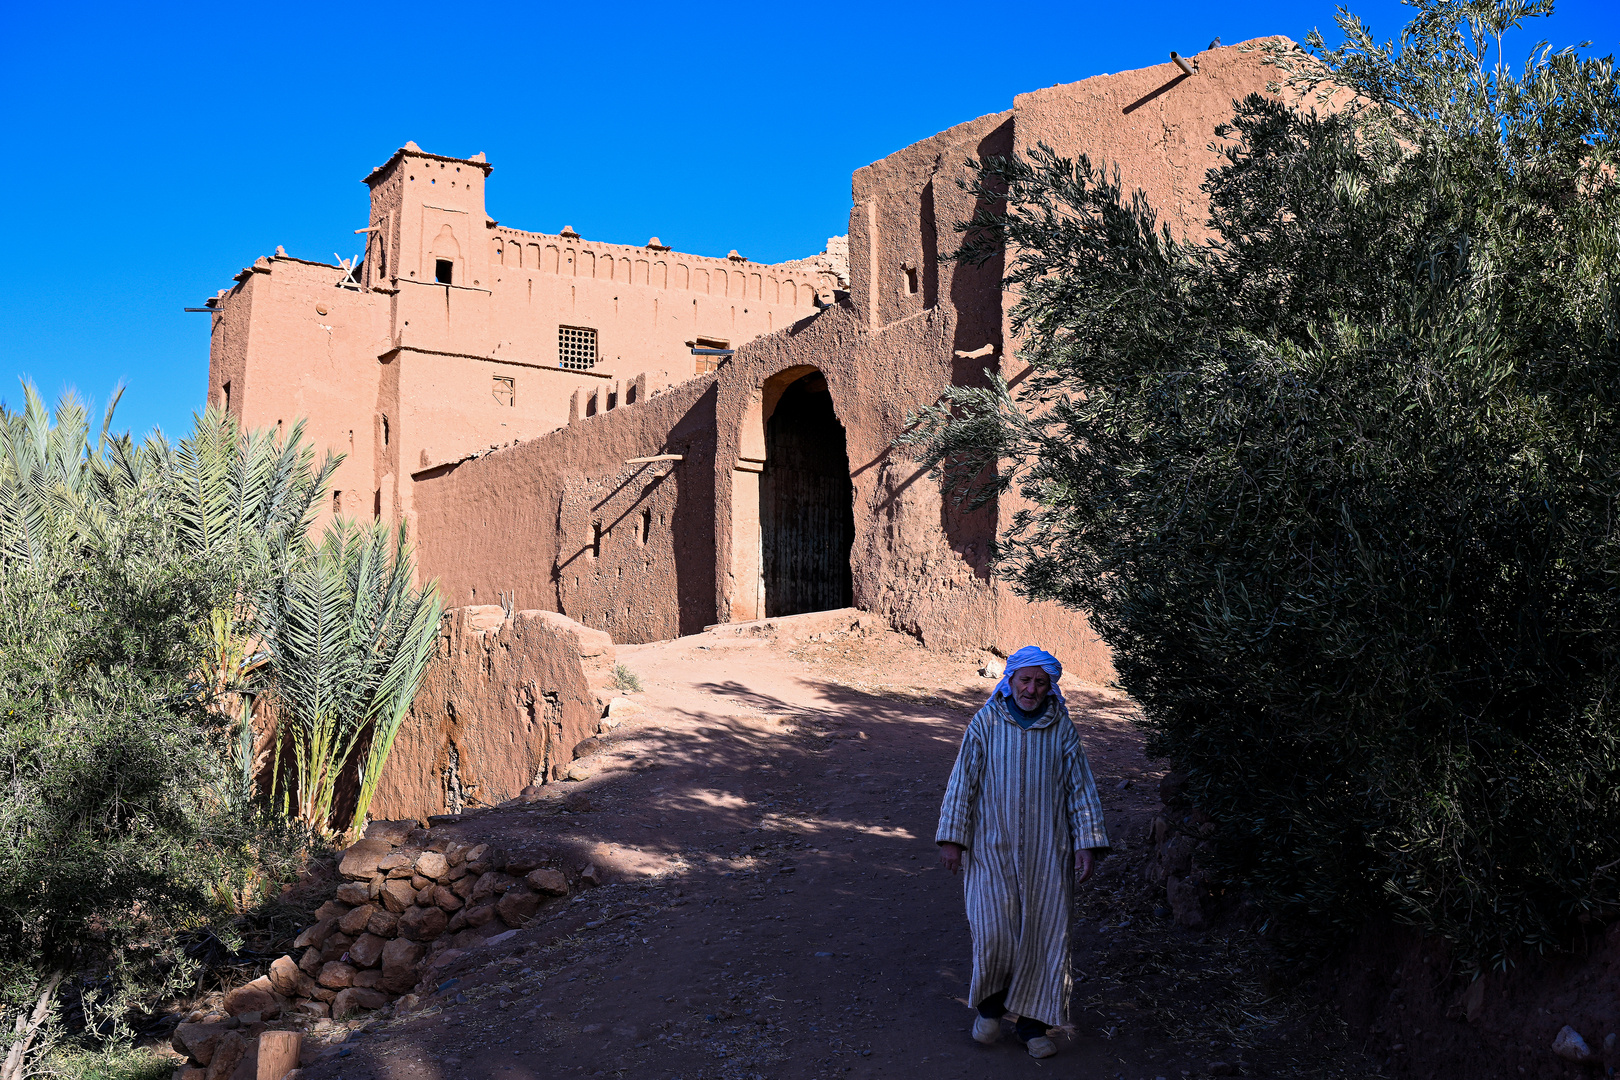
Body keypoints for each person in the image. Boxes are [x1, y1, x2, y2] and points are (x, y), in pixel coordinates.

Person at [935, 645, 1108, 1059]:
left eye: (1040, 682)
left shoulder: (1061, 728)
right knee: (994, 932)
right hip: (990, 850)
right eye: (1025, 680)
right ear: (1009, 682)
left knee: (1044, 936)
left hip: (1048, 855)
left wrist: (1086, 843)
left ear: (1051, 688)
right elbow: (963, 781)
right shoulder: (986, 722)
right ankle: (991, 1010)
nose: (1031, 689)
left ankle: (1033, 1027)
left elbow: (1080, 788)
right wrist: (952, 839)